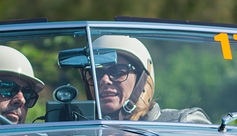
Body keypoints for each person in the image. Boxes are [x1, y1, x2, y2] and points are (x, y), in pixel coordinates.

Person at [81, 35, 210, 123]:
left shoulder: (183, 123)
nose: (103, 80)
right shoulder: (76, 134)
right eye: (95, 74)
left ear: (142, 81)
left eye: (118, 71)